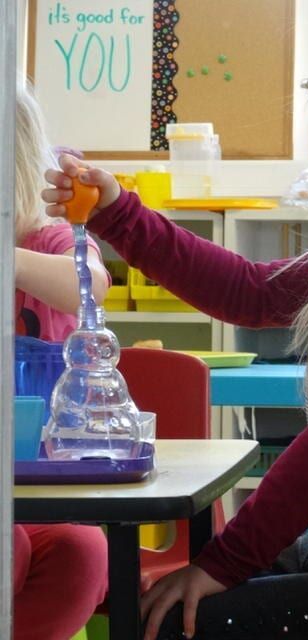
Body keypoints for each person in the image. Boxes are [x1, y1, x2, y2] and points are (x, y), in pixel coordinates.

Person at [42, 23, 308, 640]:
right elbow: (248, 291)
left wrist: (224, 563)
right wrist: (119, 211)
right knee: (150, 604)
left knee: (168, 623)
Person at [14, 81, 110, 639]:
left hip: (37, 484)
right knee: (11, 544)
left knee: (83, 550)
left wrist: (11, 257)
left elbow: (90, 287)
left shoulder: (49, 239)